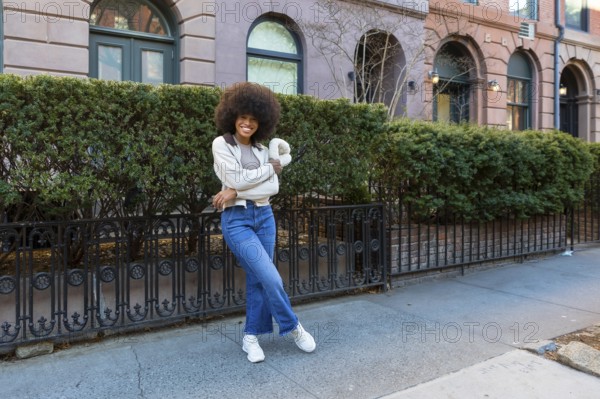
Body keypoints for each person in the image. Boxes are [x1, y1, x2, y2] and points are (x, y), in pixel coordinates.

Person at [211, 82, 316, 363]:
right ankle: (293, 326)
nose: (247, 123)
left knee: (259, 279)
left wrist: (235, 190)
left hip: (265, 216)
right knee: (270, 276)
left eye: (253, 119)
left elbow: (272, 189)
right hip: (237, 221)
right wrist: (261, 173)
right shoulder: (222, 144)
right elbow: (238, 179)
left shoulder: (260, 151)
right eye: (242, 117)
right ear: (232, 116)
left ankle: (250, 338)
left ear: (261, 122)